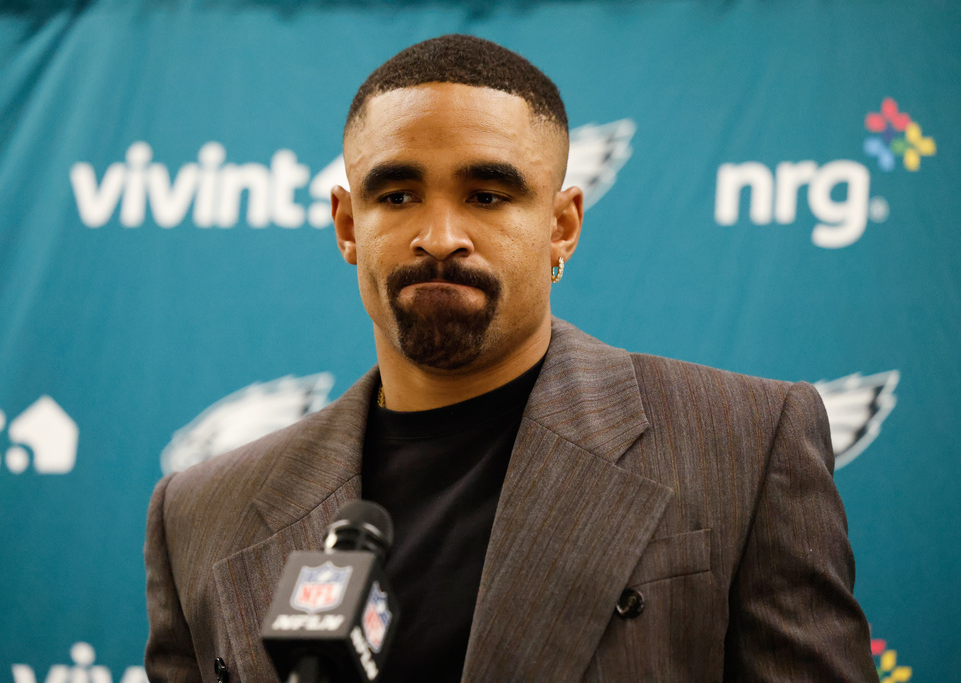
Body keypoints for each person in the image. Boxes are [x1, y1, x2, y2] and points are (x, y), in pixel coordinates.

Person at [144, 34, 877, 682]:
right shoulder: (200, 513)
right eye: (397, 195)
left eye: (488, 195)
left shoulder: (745, 442)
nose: (439, 235)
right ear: (347, 225)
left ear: (561, 227)